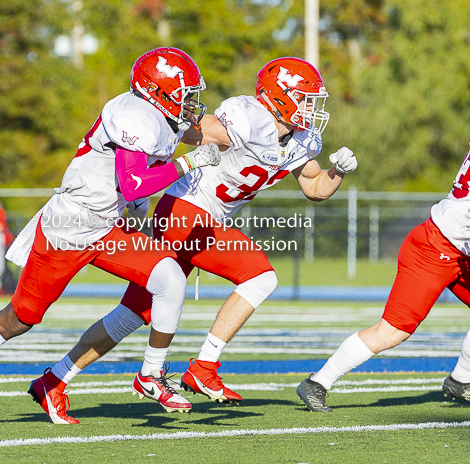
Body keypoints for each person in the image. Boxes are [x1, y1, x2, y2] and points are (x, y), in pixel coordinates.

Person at [28, 56, 357, 423]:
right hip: (185, 210)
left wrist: (336, 171)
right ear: (280, 97)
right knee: (261, 276)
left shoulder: (302, 140)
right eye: (306, 99)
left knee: (133, 314)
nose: (313, 110)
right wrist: (154, 140)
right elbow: (191, 127)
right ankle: (202, 366)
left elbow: (315, 187)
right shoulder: (247, 115)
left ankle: (54, 379)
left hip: (201, 221)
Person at [0, 47, 221, 429]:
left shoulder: (162, 116)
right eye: (184, 95)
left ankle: (151, 374)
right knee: (20, 318)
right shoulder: (133, 115)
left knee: (169, 278)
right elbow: (132, 183)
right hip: (70, 226)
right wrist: (188, 163)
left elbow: (171, 151)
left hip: (108, 227)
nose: (190, 104)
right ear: (155, 92)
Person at [297, 107, 470, 412]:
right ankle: (317, 383)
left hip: (468, 252)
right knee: (393, 332)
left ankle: (461, 381)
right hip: (434, 248)